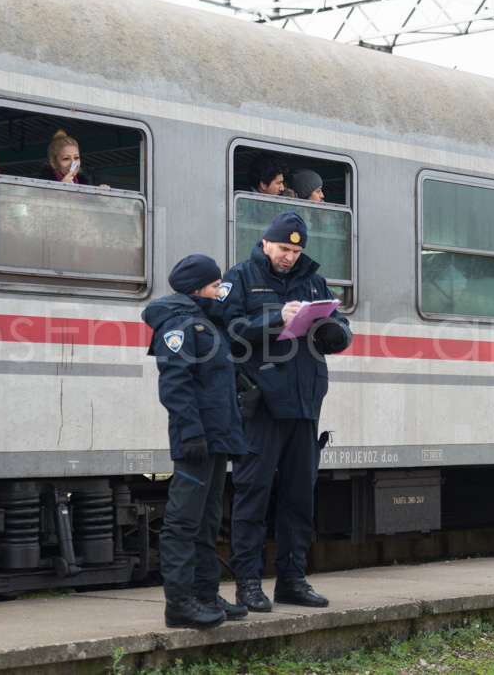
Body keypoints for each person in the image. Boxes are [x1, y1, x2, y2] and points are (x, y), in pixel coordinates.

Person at [219, 212, 352, 612]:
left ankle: (292, 579)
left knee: (299, 499)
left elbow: (342, 327)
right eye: (283, 249)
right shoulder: (240, 277)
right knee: (253, 496)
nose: (290, 257)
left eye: (296, 250)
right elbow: (229, 328)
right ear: (265, 243)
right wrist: (277, 317)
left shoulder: (313, 281)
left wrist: (332, 329)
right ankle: (247, 583)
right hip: (260, 405)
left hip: (305, 403)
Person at [142, 254, 250, 630]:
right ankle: (179, 603)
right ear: (200, 286)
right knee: (183, 522)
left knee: (206, 522)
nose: (222, 289)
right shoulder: (179, 323)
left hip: (216, 438)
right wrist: (191, 432)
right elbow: (174, 384)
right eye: (217, 283)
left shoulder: (207, 323)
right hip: (197, 438)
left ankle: (205, 593)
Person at [43, 130, 110, 188]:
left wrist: (99, 198)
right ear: (53, 164)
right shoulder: (42, 185)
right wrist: (61, 189)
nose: (73, 163)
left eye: (76, 158)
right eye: (66, 158)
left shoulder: (84, 183)